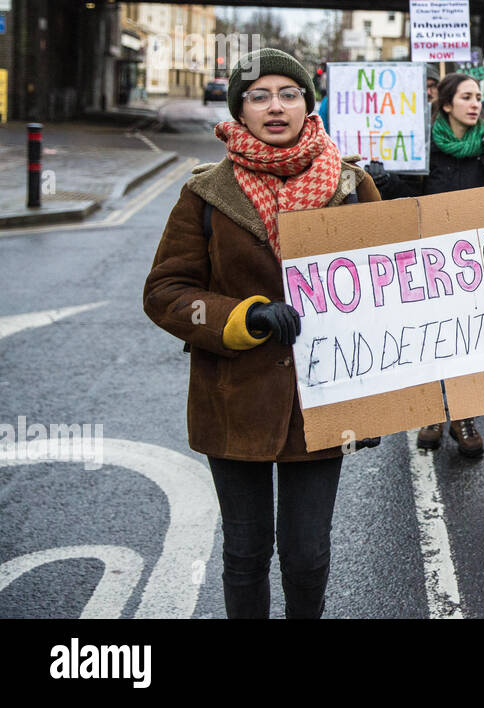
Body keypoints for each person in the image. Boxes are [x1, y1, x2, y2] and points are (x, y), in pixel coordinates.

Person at [143, 48, 382, 618]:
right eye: (259, 96)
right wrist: (240, 318)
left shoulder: (352, 186)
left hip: (321, 403)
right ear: (240, 110)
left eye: (289, 93)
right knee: (246, 553)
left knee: (306, 554)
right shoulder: (205, 193)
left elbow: (393, 286)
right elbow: (165, 291)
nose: (276, 107)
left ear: (308, 103)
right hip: (232, 402)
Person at [366, 72, 484, 458]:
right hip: (429, 261)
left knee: (470, 341)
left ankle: (464, 417)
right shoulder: (422, 150)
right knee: (432, 337)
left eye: (478, 96)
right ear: (446, 104)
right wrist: (382, 180)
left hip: (475, 264)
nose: (475, 103)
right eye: (466, 97)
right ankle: (432, 413)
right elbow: (405, 199)